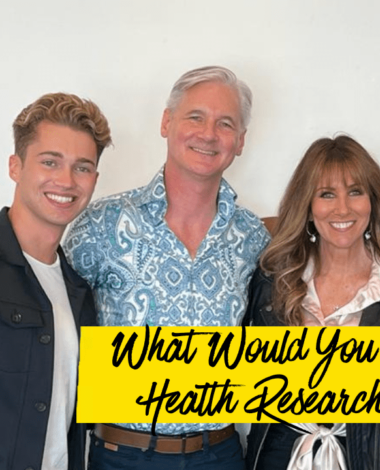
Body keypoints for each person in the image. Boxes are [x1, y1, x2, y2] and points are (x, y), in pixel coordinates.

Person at [63, 66, 270, 470]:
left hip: (221, 454)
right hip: (123, 454)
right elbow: (56, 333)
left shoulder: (254, 238)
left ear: (240, 141)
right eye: (195, 116)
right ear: (166, 122)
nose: (208, 134)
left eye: (225, 123)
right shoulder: (99, 225)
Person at [243, 135, 380, 470]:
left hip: (369, 458)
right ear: (307, 206)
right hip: (280, 455)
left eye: (355, 191)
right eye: (326, 194)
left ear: (373, 201)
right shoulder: (273, 281)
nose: (342, 208)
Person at [1, 92, 111, 470]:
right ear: (16, 166)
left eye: (82, 168)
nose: (66, 181)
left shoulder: (79, 290)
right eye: (50, 162)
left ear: (94, 179)